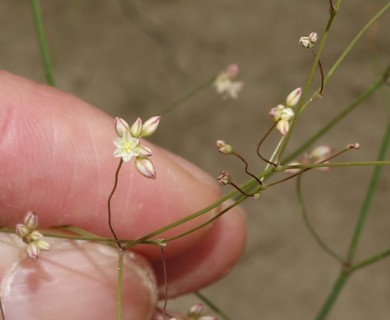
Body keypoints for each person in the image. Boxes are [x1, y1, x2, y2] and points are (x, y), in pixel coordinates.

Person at [0, 71, 246, 319]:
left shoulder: (130, 150)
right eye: (129, 145)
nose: (130, 146)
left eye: (131, 146)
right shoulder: (126, 150)